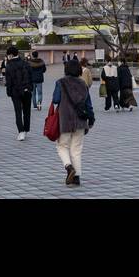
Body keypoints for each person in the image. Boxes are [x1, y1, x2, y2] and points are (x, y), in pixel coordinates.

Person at [52, 58, 95, 186]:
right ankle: (76, 177)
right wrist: (91, 119)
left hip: (65, 120)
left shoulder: (60, 83)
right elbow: (89, 105)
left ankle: (69, 167)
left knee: (62, 146)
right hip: (80, 120)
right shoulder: (83, 84)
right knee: (76, 149)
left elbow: (55, 99)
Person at [4, 45, 34, 140]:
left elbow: (9, 81)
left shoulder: (9, 66)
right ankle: (26, 129)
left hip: (15, 91)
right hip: (27, 90)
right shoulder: (26, 63)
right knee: (27, 111)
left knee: (18, 111)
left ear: (11, 55)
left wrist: (9, 92)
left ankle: (21, 131)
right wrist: (29, 88)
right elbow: (31, 76)